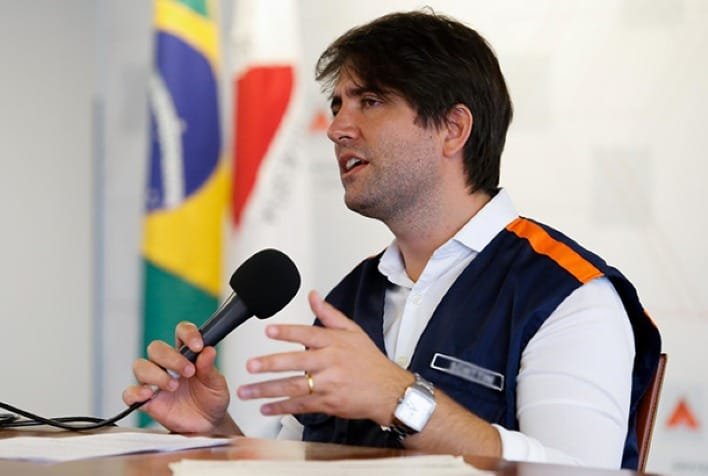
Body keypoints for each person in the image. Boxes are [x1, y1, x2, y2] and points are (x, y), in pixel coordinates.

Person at [123, 10, 661, 470]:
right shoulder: (348, 301)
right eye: (338, 105)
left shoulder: (568, 296)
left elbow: (579, 472)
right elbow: (296, 467)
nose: (336, 127)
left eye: (371, 101)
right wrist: (214, 431)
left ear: (452, 128)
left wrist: (400, 399)